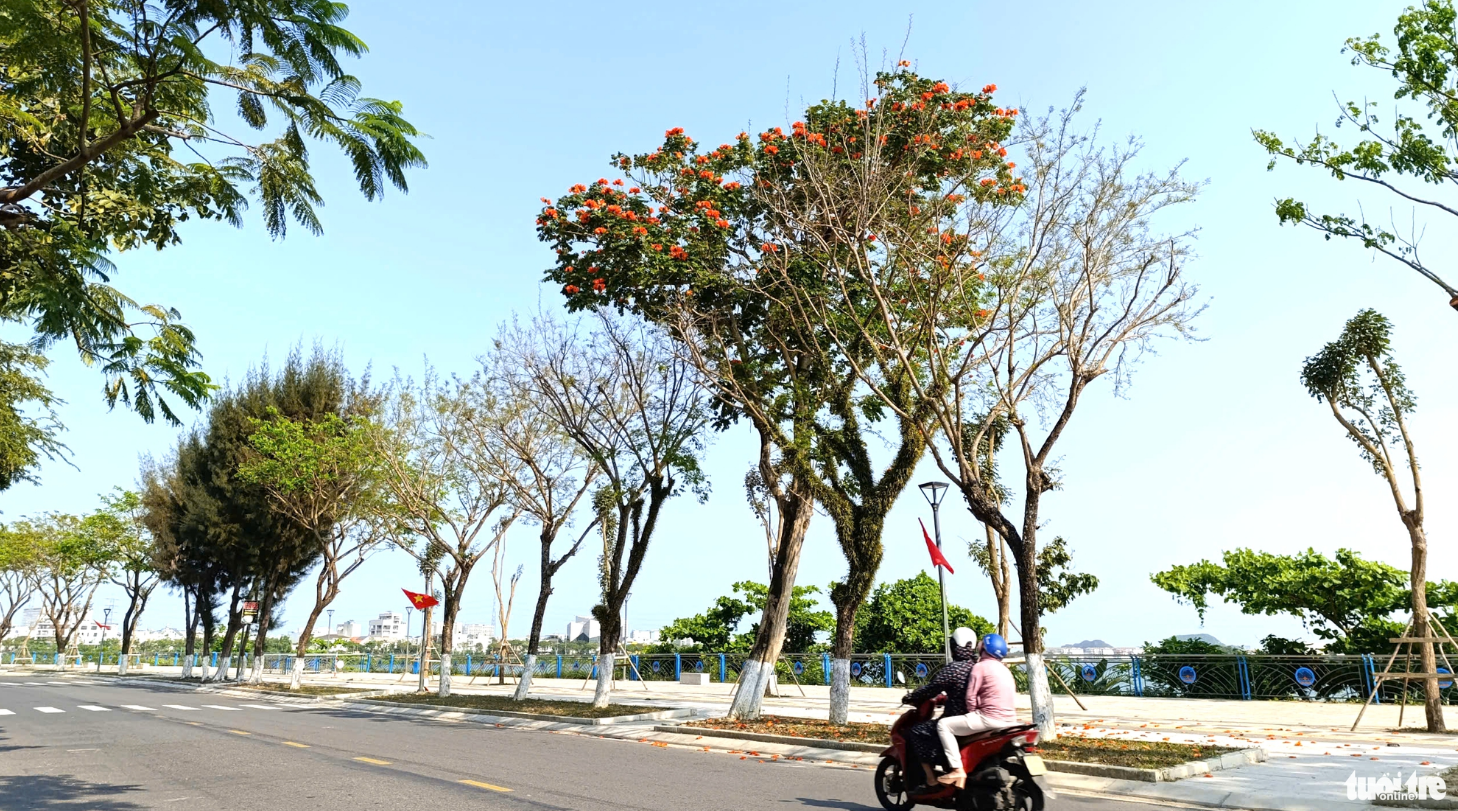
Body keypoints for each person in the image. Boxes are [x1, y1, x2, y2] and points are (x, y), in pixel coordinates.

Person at [900, 627, 981, 792]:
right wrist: (946, 698)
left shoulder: (953, 669)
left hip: (956, 718)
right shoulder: (977, 666)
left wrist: (912, 696)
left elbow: (932, 688)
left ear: (954, 646)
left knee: (917, 731)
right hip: (976, 718)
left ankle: (930, 780)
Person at [935, 632, 1017, 787]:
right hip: (1010, 721)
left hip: (989, 719)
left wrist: (971, 713)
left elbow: (970, 697)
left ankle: (957, 769)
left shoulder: (979, 667)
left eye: (981, 643)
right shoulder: (1005, 670)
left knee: (943, 725)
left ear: (984, 649)